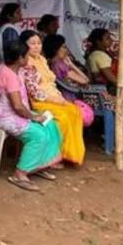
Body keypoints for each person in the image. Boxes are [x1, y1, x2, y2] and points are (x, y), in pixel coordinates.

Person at [0, 40, 63, 192]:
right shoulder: (8, 75)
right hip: (3, 117)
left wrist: (37, 116)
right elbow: (18, 106)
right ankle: (20, 174)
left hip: (15, 112)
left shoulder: (15, 69)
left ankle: (39, 165)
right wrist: (34, 117)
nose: (29, 57)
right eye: (27, 55)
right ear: (20, 58)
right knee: (39, 135)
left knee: (51, 124)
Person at [44, 33, 123, 155]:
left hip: (86, 95)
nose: (66, 50)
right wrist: (72, 65)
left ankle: (117, 141)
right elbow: (85, 80)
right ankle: (119, 143)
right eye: (63, 47)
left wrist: (72, 65)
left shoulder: (56, 63)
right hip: (84, 98)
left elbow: (85, 80)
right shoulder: (59, 65)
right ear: (55, 49)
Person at [18, 30, 85, 165]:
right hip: (40, 102)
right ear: (24, 46)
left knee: (75, 112)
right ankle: (54, 155)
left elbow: (51, 82)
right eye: (32, 43)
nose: (36, 46)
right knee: (64, 117)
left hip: (54, 97)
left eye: (38, 43)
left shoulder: (42, 60)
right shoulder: (27, 63)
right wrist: (55, 100)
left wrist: (59, 98)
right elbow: (34, 91)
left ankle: (69, 154)